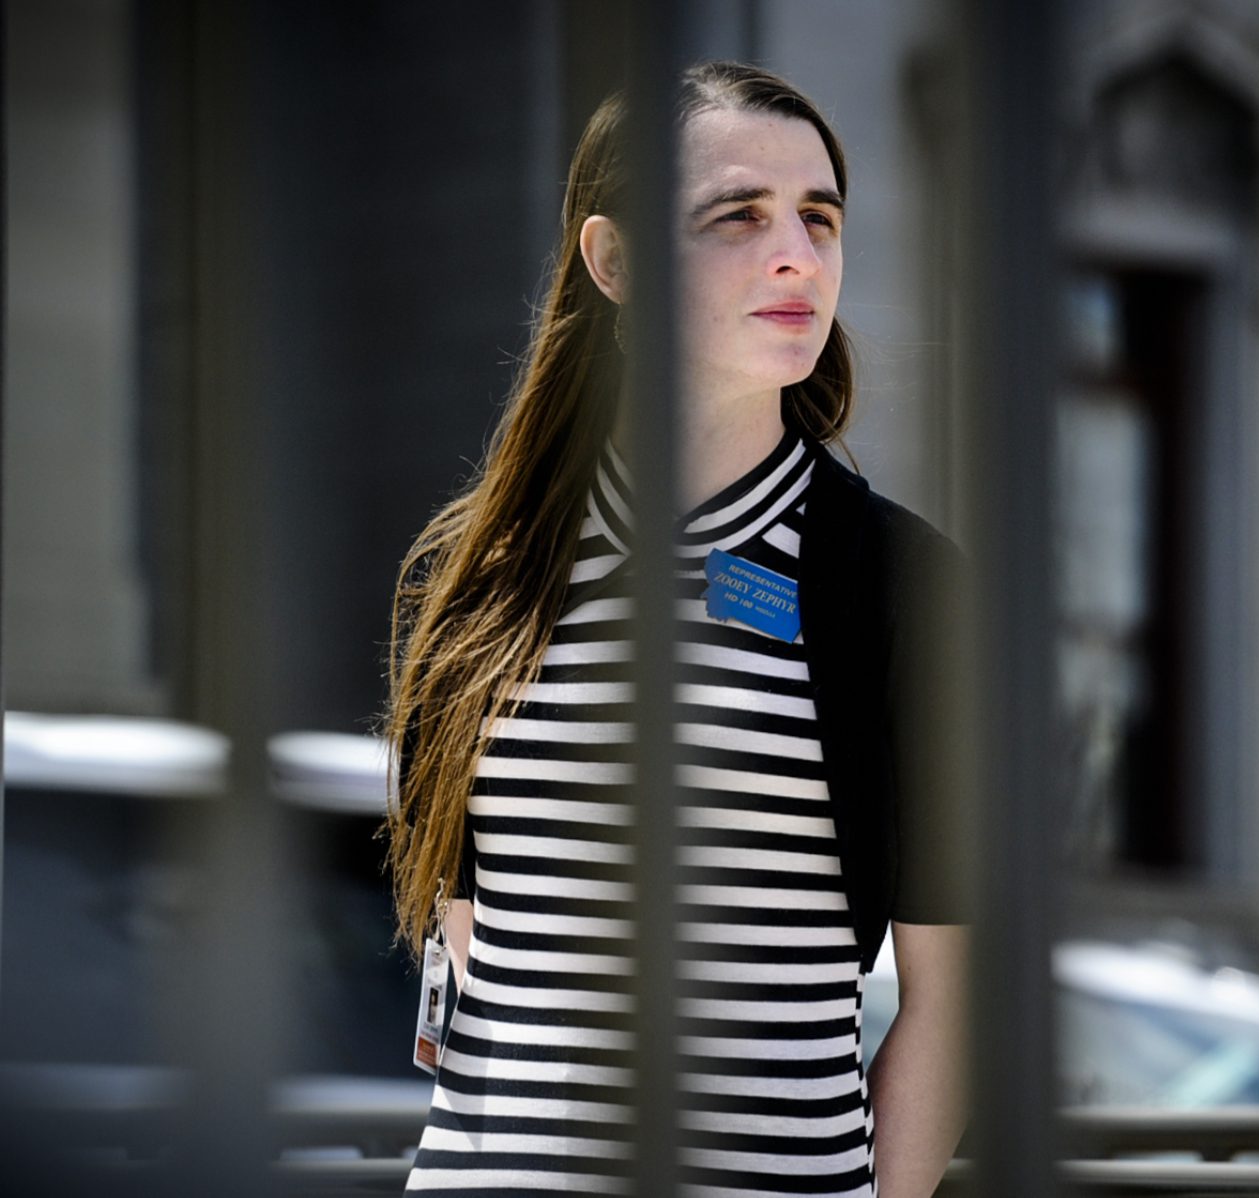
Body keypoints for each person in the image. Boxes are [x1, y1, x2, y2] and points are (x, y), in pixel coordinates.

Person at [382, 59, 971, 1196]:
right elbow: (473, 955)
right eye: (738, 217)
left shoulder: (899, 585)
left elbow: (957, 1008)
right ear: (614, 262)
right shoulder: (475, 577)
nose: (797, 252)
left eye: (820, 217)